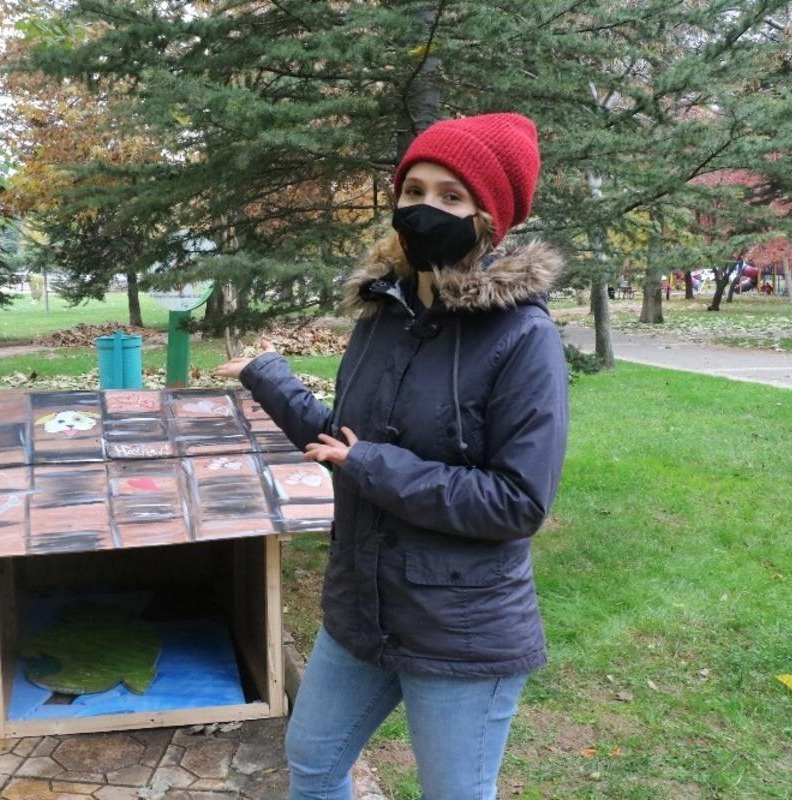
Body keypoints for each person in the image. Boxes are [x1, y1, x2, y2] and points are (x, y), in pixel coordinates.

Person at [217, 113, 569, 799]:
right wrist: (268, 375)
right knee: (314, 764)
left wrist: (373, 468)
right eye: (414, 189)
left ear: (488, 218)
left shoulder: (523, 338)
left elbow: (518, 501)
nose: (425, 208)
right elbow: (341, 442)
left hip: (461, 630)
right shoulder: (382, 314)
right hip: (362, 610)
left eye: (451, 196)